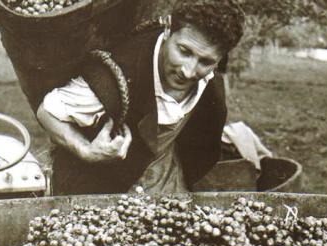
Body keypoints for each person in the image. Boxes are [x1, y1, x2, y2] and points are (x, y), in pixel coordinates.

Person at [36, 0, 245, 195]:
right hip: (103, 187)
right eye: (184, 51)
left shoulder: (210, 83)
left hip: (167, 180)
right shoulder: (116, 73)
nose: (189, 71)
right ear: (168, 29)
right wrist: (85, 150)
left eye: (206, 61)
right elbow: (48, 112)